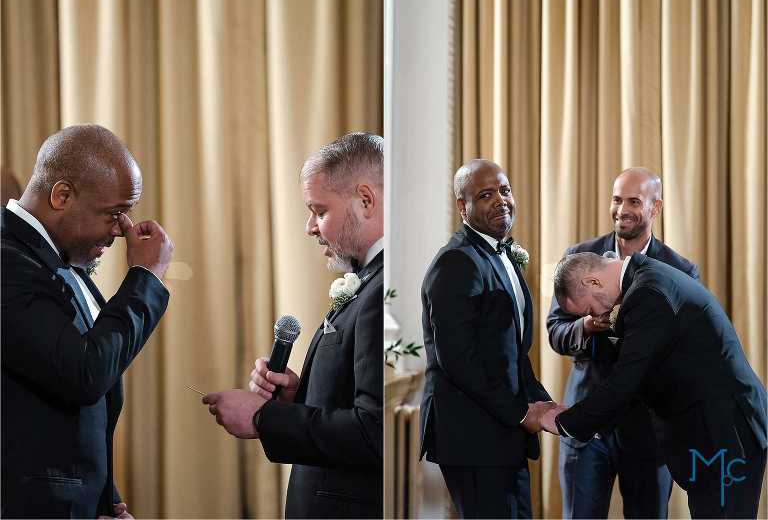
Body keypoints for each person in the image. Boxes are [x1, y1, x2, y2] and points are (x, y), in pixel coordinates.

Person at [202, 132, 383, 519]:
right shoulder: (370, 281)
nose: (310, 227)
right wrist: (298, 396)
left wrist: (263, 417)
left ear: (366, 201)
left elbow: (375, 432)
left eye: (319, 211)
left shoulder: (384, 291)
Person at [1, 124, 173, 519]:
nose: (121, 231)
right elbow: (84, 372)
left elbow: (73, 418)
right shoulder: (7, 262)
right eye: (113, 214)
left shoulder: (55, 263)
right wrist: (145, 278)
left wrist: (104, 501)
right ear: (61, 195)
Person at [546, 252, 767, 519]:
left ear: (593, 282)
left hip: (725, 437)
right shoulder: (647, 279)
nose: (596, 316)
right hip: (713, 435)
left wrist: (561, 422)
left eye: (589, 309)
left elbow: (625, 383)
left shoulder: (647, 293)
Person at [546, 167, 698, 519]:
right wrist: (585, 326)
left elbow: (682, 350)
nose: (622, 210)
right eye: (617, 200)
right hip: (587, 428)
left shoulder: (680, 270)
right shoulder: (578, 256)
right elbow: (555, 330)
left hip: (648, 431)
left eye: (634, 201)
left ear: (655, 207)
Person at [419, 159, 557, 519]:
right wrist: (521, 413)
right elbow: (458, 361)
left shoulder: (499, 253)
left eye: (504, 190)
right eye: (485, 195)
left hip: (503, 431)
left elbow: (511, 351)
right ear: (462, 206)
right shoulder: (456, 263)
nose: (500, 200)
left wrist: (543, 404)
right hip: (474, 437)